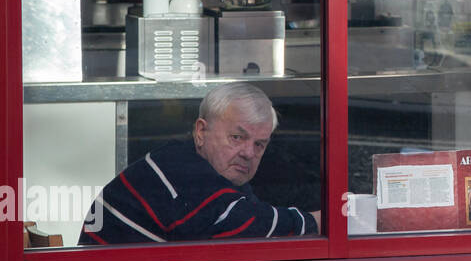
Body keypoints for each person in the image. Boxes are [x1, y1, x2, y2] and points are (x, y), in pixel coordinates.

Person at [79, 83, 320, 245]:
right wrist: (318, 222)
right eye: (237, 137)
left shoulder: (203, 168)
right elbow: (245, 225)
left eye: (260, 144)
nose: (249, 153)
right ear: (201, 131)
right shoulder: (183, 173)